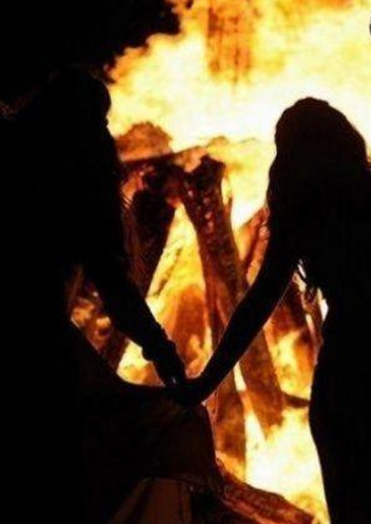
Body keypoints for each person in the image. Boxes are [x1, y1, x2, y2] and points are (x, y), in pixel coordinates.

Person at [177, 16, 371, 524]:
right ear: (344, 140)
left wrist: (206, 383)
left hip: (344, 385)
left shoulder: (300, 222)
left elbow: (254, 308)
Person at [15, 68, 220, 524]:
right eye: (100, 122)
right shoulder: (76, 185)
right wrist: (164, 354)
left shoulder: (23, 164)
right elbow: (116, 288)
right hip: (39, 353)